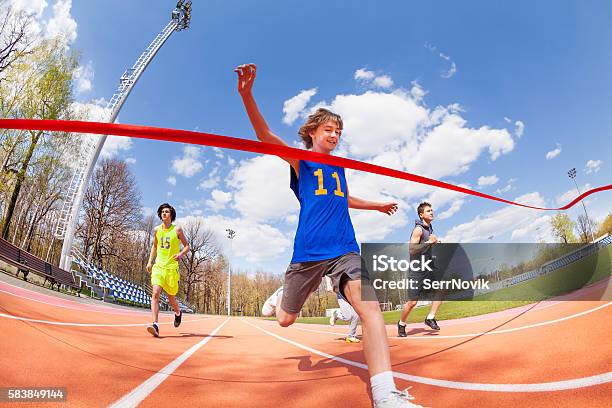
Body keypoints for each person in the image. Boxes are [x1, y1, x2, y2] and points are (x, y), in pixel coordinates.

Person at [236, 63, 423, 408]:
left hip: (344, 248)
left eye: (338, 131)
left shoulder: (339, 166)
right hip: (309, 250)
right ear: (311, 132)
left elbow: (344, 198)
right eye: (328, 129)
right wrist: (248, 96)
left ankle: (386, 395)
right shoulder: (301, 160)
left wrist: (377, 206)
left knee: (370, 307)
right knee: (285, 321)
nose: (335, 135)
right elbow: (266, 138)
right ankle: (281, 296)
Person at [397, 202, 442, 337]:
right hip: (416, 272)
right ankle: (401, 324)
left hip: (428, 268)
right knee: (412, 302)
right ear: (421, 214)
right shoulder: (418, 229)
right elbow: (411, 249)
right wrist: (429, 243)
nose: (431, 212)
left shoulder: (430, 229)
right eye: (428, 211)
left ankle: (430, 317)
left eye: (432, 210)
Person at [146, 203, 190, 337]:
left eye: (166, 212)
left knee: (171, 299)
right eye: (162, 212)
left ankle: (178, 313)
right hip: (159, 266)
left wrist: (181, 254)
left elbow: (187, 246)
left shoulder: (177, 230)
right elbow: (154, 246)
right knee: (155, 293)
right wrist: (150, 261)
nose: (164, 213)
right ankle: (155, 325)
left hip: (172, 269)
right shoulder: (156, 230)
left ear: (171, 215)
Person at [326, 276, 361, 343]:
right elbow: (327, 270)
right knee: (348, 317)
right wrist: (328, 285)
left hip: (353, 291)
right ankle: (336, 313)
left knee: (356, 314)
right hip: (342, 292)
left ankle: (351, 336)